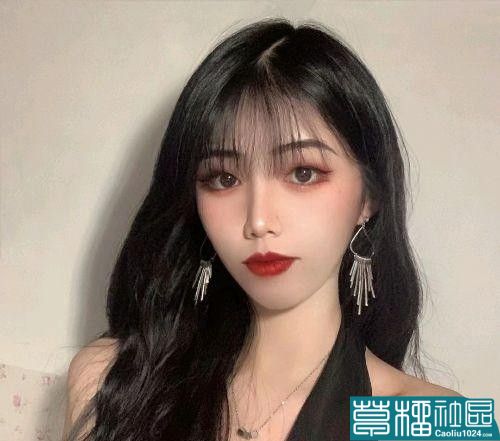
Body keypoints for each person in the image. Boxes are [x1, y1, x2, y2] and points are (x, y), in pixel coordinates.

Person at [63, 17, 462, 441]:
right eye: (223, 179)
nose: (257, 221)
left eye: (303, 173)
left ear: (368, 198)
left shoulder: (431, 422)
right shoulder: (108, 382)